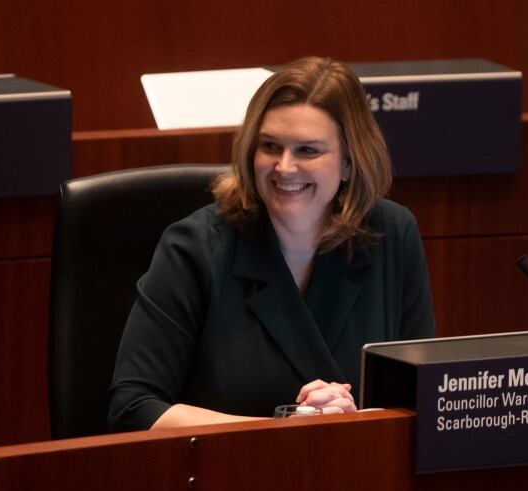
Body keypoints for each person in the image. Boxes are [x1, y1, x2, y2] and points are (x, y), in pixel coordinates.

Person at [108, 56, 435, 432]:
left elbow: (420, 399)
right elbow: (133, 407)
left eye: (307, 150)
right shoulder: (195, 247)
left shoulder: (392, 234)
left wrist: (353, 422)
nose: (284, 167)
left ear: (349, 161)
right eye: (270, 146)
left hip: (356, 479)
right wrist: (281, 431)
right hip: (224, 478)